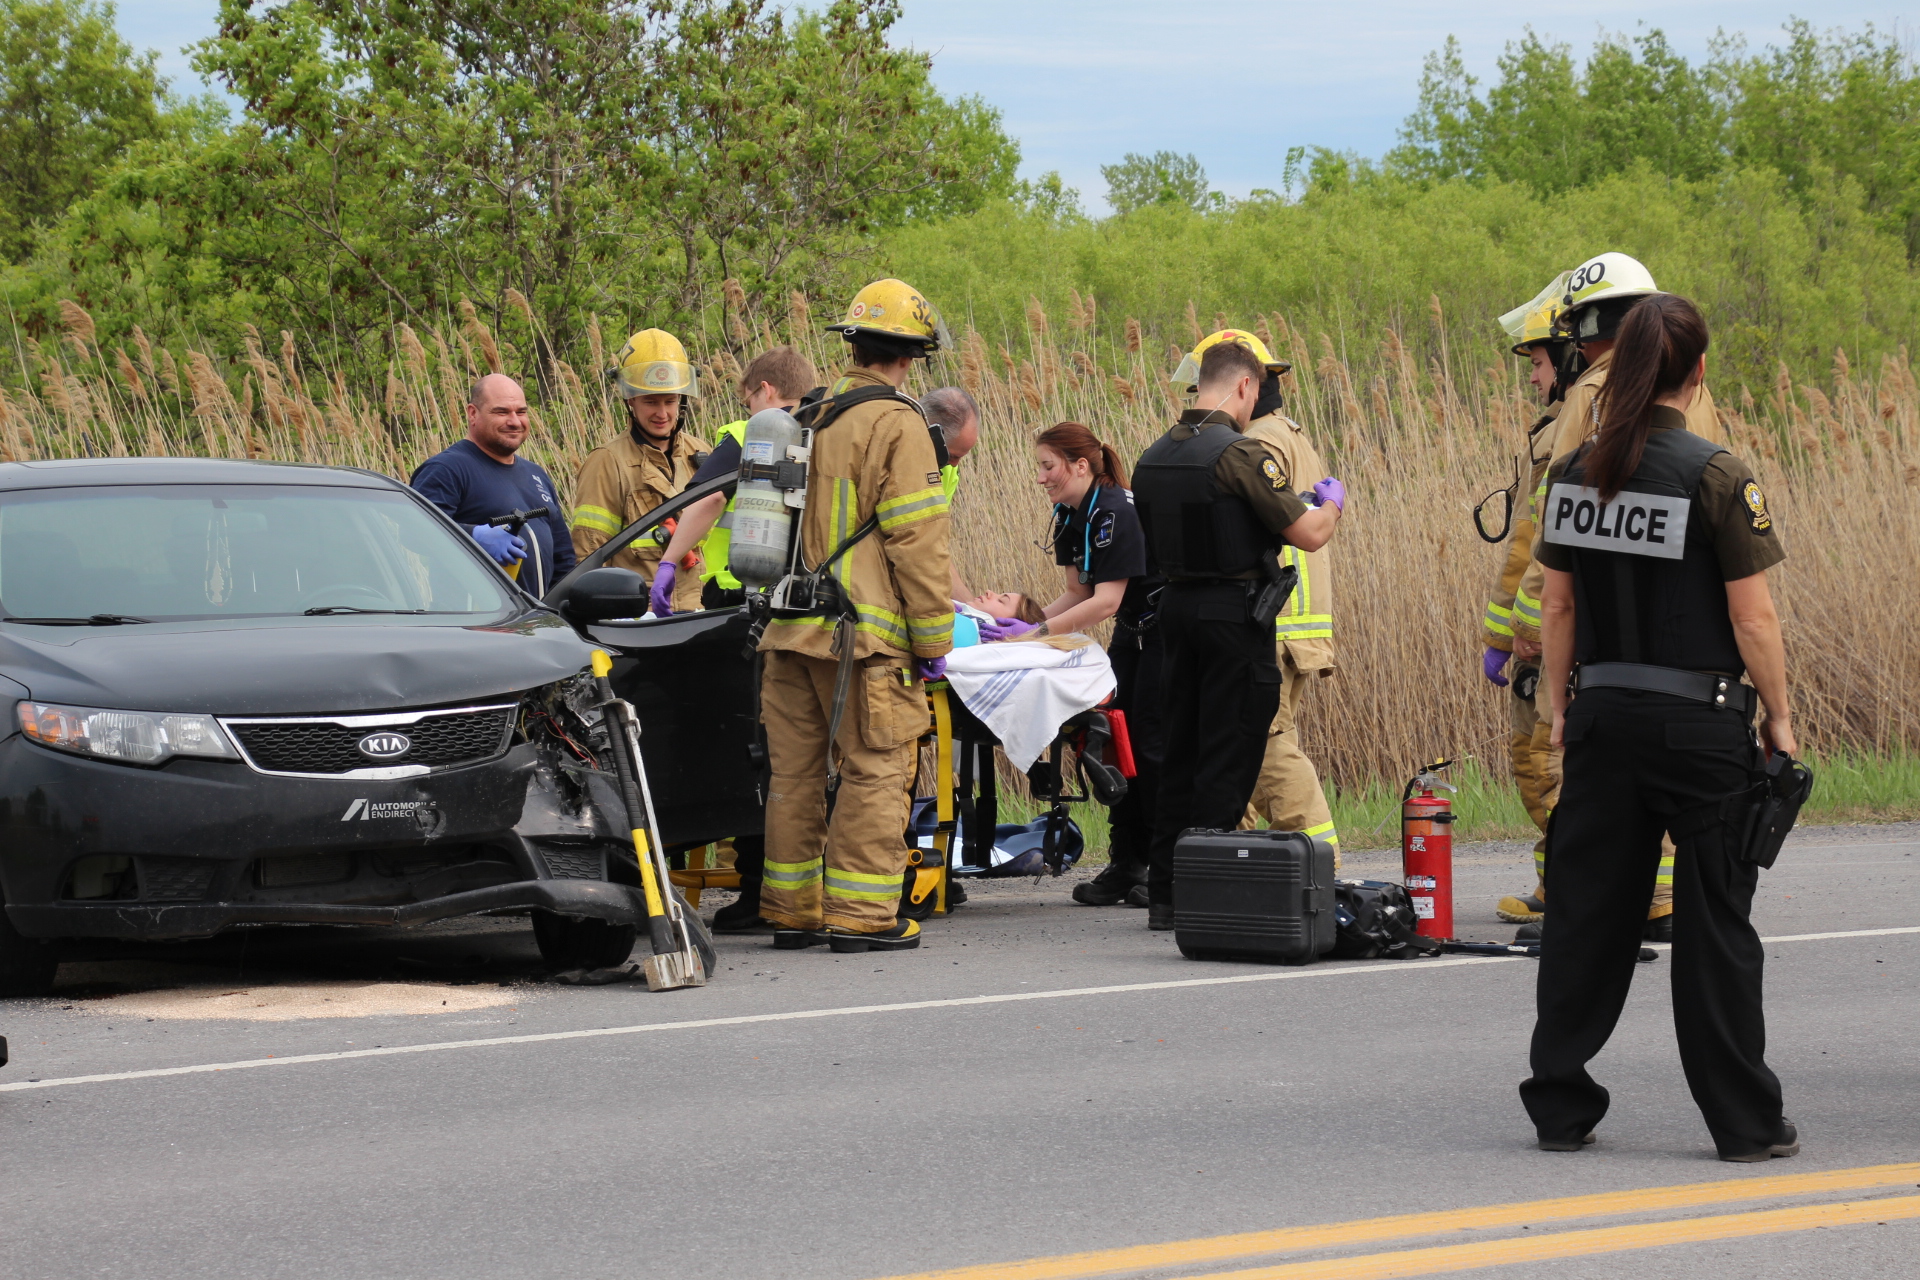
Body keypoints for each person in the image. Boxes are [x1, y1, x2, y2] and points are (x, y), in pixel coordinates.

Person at [1522, 292, 1796, 1163]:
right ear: (1699, 370)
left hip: (1603, 716)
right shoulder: (1719, 475)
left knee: (1586, 915)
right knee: (1716, 927)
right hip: (1701, 726)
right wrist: (1781, 717)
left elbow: (1555, 604)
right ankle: (1745, 1126)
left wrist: (1562, 706)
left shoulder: (1573, 475)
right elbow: (1753, 622)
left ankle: (1560, 1106)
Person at [1508, 253, 1727, 943]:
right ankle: (1619, 891)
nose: (1570, 346)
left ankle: (1606, 902)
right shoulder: (1694, 394)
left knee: (1562, 757)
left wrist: (1530, 628)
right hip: (1676, 622)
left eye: (1575, 328)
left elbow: (1560, 524)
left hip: (1599, 618)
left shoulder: (1592, 394)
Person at [757, 278, 955, 954]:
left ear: (854, 344)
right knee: (876, 769)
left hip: (789, 632)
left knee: (796, 777)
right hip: (862, 642)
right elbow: (917, 542)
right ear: (911, 355)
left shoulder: (811, 412)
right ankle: (863, 917)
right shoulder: (897, 423)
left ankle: (793, 910)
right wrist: (933, 639)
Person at [1132, 338, 1344, 931]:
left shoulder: (1151, 458)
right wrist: (1331, 503)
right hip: (1233, 615)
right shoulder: (1239, 454)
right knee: (1231, 751)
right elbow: (1307, 534)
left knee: (1180, 751)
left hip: (1174, 612)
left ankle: (1167, 892)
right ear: (1246, 387)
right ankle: (1209, 886)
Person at [1174, 330, 1342, 861]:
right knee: (1236, 755)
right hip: (1291, 624)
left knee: (1264, 747)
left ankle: (1322, 864)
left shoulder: (1256, 443)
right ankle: (1232, 867)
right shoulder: (1287, 431)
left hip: (1265, 619)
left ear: (1242, 385)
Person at [1480, 276, 1573, 924]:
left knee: (1551, 760)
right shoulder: (1556, 427)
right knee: (1534, 760)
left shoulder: (1575, 430)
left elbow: (1546, 549)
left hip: (1556, 632)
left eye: (1538, 363)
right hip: (1537, 630)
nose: (1532, 378)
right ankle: (1562, 879)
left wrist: (1530, 632)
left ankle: (1640, 894)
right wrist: (1496, 635)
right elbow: (1523, 544)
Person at [652, 345, 820, 618]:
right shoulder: (825, 436)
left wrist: (668, 562)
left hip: (740, 593)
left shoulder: (750, 434)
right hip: (809, 595)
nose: (749, 413)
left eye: (748, 402)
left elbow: (711, 497)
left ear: (766, 390)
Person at [570, 328, 711, 611]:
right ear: (630, 400)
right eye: (650, 401)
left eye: (670, 401)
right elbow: (590, 557)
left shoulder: (701, 454)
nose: (662, 413)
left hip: (700, 613)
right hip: (640, 618)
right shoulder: (607, 462)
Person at [409, 374, 575, 595]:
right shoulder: (446, 469)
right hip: (476, 624)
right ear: (472, 413)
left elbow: (563, 557)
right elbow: (414, 533)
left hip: (537, 623)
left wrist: (561, 610)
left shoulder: (536, 474)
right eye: (501, 412)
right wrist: (473, 536)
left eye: (521, 412)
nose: (515, 421)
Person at [922, 386, 983, 598]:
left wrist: (973, 607)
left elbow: (934, 542)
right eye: (952, 455)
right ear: (929, 432)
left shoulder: (948, 470)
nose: (956, 464)